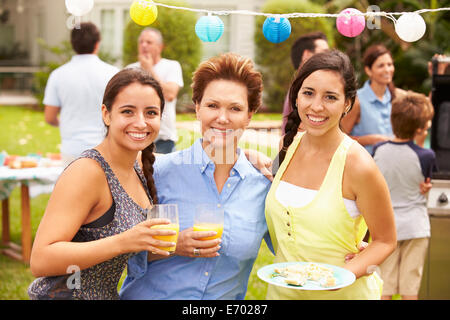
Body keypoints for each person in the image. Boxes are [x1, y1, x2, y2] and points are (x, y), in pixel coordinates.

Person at [119, 52, 273, 300]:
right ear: (197, 108)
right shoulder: (157, 172)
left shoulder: (264, 186)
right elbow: (116, 249)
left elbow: (294, 250)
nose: (222, 118)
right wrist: (173, 244)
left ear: (250, 115)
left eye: (235, 108)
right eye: (212, 106)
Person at [28, 68, 177, 300]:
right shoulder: (88, 171)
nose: (141, 122)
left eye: (151, 113)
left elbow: (186, 160)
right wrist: (123, 242)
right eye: (128, 111)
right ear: (106, 115)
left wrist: (246, 155)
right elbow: (40, 259)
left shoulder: (137, 165)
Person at [265, 50, 397, 299]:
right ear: (296, 97)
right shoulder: (287, 146)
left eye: (330, 97)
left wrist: (346, 274)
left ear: (347, 103)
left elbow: (386, 240)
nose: (316, 106)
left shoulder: (358, 165)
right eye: (308, 93)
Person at [373, 92, 437, 300]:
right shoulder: (427, 156)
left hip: (386, 229)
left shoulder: (378, 150)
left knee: (385, 289)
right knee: (410, 291)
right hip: (415, 227)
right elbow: (425, 182)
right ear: (420, 128)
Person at [43, 22, 119, 167]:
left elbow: (49, 117)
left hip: (71, 149)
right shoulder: (113, 73)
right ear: (97, 44)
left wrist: (66, 124)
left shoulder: (58, 75)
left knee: (72, 190)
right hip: (105, 148)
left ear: (72, 44)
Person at [340, 44, 406, 155]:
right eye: (381, 66)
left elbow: (425, 109)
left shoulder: (398, 97)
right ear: (368, 70)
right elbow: (340, 139)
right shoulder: (357, 101)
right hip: (364, 167)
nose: (387, 70)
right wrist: (370, 140)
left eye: (390, 64)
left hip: (392, 167)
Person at [126, 28, 183, 154]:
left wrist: (149, 70)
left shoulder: (172, 66)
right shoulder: (130, 69)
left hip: (163, 140)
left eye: (149, 42)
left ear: (160, 47)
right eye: (141, 42)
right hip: (135, 137)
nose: (144, 45)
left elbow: (170, 94)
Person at [281, 32, 329, 134]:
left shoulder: (300, 84)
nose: (328, 57)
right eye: (324, 52)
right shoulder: (301, 86)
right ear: (306, 54)